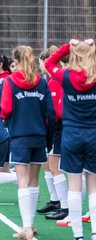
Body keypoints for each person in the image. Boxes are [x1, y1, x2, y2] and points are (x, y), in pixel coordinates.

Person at [0, 45, 55, 240]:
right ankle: (30, 224)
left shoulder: (9, 82)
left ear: (15, 62)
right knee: (33, 181)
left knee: (23, 181)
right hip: (39, 136)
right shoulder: (41, 82)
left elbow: (5, 109)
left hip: (20, 137)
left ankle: (27, 228)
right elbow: (51, 112)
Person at [45, 39, 96, 240]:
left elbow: (49, 63)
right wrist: (92, 47)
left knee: (74, 186)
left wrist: (68, 45)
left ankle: (78, 236)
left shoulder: (66, 77)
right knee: (93, 188)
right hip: (93, 135)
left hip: (72, 135)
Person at [36, 46, 69, 221]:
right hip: (52, 129)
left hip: (59, 128)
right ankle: (56, 200)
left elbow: (58, 110)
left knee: (55, 166)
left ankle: (65, 207)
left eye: (41, 62)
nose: (40, 66)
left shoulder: (58, 81)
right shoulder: (50, 81)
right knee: (47, 164)